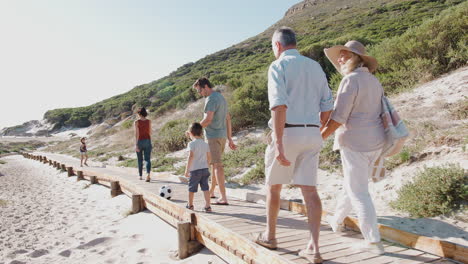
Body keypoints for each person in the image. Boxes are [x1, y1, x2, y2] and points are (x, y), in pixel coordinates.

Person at [254, 27, 333, 264]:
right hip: (312, 132)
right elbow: (327, 106)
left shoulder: (278, 66)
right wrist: (315, 127)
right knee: (310, 191)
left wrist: (278, 144)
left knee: (274, 187)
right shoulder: (315, 66)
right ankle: (315, 249)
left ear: (277, 45)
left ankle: (270, 236)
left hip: (288, 132)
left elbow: (279, 106)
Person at [321, 40, 385, 255]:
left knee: (359, 192)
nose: (340, 59)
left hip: (355, 142)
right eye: (339, 56)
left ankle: (373, 241)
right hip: (376, 141)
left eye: (344, 56)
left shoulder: (350, 80)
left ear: (356, 58)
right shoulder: (374, 81)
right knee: (353, 184)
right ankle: (336, 220)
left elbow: (339, 117)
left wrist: (320, 137)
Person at [192, 77, 237, 205]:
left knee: (217, 166)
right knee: (214, 165)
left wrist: (193, 130)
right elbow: (228, 118)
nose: (200, 93)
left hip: (213, 137)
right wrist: (229, 138)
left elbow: (208, 119)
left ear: (205, 86)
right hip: (221, 136)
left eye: (200, 90)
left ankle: (223, 197)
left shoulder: (211, 99)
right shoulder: (221, 97)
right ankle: (212, 192)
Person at [184, 122, 212, 212]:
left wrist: (187, 170)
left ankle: (190, 205)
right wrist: (207, 166)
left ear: (191, 133)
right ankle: (208, 206)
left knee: (191, 188)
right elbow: (209, 157)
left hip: (195, 170)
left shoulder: (191, 144)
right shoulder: (205, 144)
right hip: (204, 169)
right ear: (201, 133)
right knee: (205, 188)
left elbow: (191, 156)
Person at [134, 107, 152, 182]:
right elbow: (150, 132)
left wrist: (136, 144)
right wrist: (149, 140)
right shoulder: (149, 121)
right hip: (147, 140)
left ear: (139, 114)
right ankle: (148, 174)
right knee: (147, 159)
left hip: (140, 141)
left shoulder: (136, 122)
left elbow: (136, 134)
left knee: (139, 160)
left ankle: (140, 176)